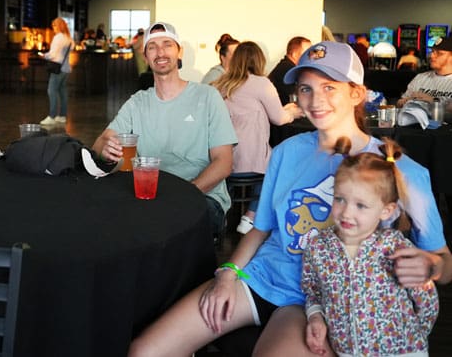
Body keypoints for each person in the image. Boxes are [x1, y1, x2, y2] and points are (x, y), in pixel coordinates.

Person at [128, 41, 451, 357]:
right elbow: (261, 228)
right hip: (262, 277)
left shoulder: (399, 168)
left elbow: (444, 262)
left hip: (323, 298)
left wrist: (431, 266)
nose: (315, 100)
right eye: (306, 89)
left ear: (356, 93)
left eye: (329, 87)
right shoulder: (287, 151)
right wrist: (228, 274)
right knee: (147, 350)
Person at [92, 22, 236, 234]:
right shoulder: (138, 102)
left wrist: (182, 195)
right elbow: (100, 143)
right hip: (149, 196)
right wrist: (106, 148)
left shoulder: (207, 96)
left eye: (167, 44)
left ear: (179, 52)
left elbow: (224, 163)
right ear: (145, 57)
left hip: (201, 198)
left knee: (157, 227)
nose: (160, 52)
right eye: (152, 47)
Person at [302, 138, 438, 356]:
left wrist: (415, 337)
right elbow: (313, 291)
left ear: (386, 210)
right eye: (340, 199)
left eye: (361, 205)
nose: (346, 213)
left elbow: (426, 299)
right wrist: (316, 317)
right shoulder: (318, 247)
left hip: (404, 351)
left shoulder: (396, 248)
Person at [212, 41, 303, 234]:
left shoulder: (219, 84)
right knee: (278, 167)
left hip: (222, 161)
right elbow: (278, 118)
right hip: (251, 161)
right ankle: (251, 216)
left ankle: (225, 215)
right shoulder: (261, 83)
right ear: (259, 60)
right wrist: (293, 113)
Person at [398, 36, 452, 112]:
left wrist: (433, 100)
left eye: (439, 53)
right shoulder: (420, 77)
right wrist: (407, 101)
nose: (431, 56)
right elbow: (399, 103)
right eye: (432, 51)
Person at [39, 17, 74, 125]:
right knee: (62, 92)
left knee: (52, 91)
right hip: (66, 68)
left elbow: (53, 54)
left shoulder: (58, 37)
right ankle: (62, 116)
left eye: (54, 26)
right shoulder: (68, 38)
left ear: (58, 26)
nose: (53, 28)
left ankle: (52, 116)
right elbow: (71, 49)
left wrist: (44, 55)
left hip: (57, 69)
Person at [268, 36, 312, 105]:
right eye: (307, 53)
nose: (311, 56)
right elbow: (299, 98)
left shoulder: (285, 66)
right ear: (294, 55)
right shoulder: (287, 70)